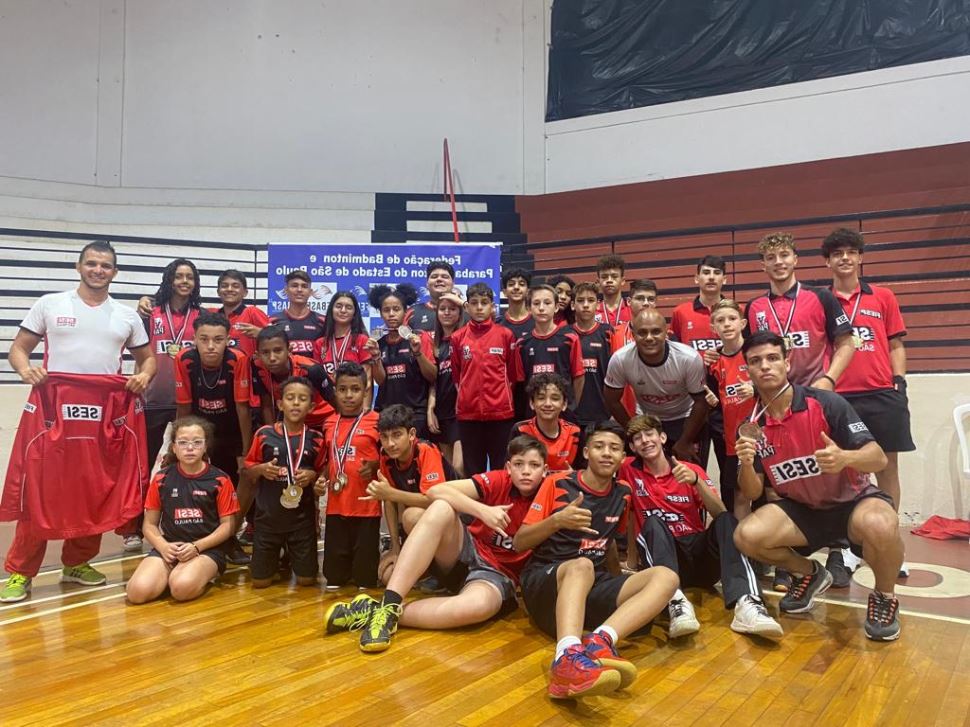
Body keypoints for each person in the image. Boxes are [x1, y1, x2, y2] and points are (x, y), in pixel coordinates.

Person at [1, 240, 155, 603]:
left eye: (105, 265)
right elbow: (18, 349)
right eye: (92, 263)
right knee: (42, 487)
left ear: (114, 272)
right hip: (54, 408)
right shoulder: (50, 304)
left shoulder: (126, 316)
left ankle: (77, 562)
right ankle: (20, 572)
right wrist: (26, 370)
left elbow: (148, 360)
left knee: (93, 485)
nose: (98, 270)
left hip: (105, 413)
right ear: (78, 266)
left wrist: (143, 376)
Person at [732, 331, 904, 641]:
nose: (765, 366)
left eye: (772, 358)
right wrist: (745, 463)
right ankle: (811, 574)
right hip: (803, 511)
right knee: (746, 535)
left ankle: (884, 596)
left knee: (882, 523)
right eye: (755, 361)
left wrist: (844, 457)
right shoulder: (751, 426)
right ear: (748, 370)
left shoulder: (825, 403)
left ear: (787, 361)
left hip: (852, 503)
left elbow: (877, 459)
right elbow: (754, 492)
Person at [325, 435, 549, 652]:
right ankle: (391, 600)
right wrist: (483, 510)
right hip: (465, 552)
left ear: (545, 470)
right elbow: (436, 490)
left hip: (496, 576)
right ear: (509, 467)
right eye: (519, 464)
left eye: (534, 465)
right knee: (439, 507)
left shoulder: (551, 494)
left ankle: (382, 610)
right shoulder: (500, 479)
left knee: (477, 607)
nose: (526, 471)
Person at [513, 422, 679, 699]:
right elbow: (520, 541)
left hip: (589, 584)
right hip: (545, 582)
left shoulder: (623, 493)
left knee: (666, 576)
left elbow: (610, 542)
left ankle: (600, 641)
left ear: (623, 457)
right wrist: (557, 521)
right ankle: (565, 658)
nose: (606, 453)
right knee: (582, 565)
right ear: (586, 452)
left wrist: (619, 582)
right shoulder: (557, 483)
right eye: (599, 446)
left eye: (614, 448)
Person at [745, 231, 857, 588]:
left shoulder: (820, 297)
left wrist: (828, 381)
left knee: (829, 470)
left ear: (795, 259)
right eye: (771, 258)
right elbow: (751, 351)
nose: (778, 263)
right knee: (781, 475)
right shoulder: (755, 307)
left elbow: (846, 342)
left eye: (784, 256)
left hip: (814, 398)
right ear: (763, 265)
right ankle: (790, 554)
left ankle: (838, 550)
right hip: (775, 401)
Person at [620, 415, 781, 639]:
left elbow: (719, 511)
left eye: (649, 434)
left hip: (700, 556)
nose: (645, 441)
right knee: (652, 523)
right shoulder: (628, 470)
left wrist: (696, 481)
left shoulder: (689, 468)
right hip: (667, 562)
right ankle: (674, 602)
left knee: (727, 520)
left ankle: (748, 603)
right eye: (637, 438)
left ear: (663, 437)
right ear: (632, 447)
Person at [823, 227, 915, 578]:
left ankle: (891, 545)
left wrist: (899, 384)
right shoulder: (822, 300)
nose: (844, 258)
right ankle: (848, 548)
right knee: (846, 473)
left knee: (886, 468)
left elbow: (896, 345)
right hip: (839, 397)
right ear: (828, 261)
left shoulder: (883, 297)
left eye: (850, 252)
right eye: (837, 253)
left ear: (860, 257)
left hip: (881, 394)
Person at [126, 416, 238, 604]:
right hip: (171, 547)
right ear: (174, 448)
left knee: (181, 589)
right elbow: (149, 525)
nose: (190, 447)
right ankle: (172, 574)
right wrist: (163, 546)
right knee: (137, 593)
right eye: (183, 442)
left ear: (205, 447)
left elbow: (228, 527)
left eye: (197, 442)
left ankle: (198, 575)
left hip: (206, 549)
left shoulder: (221, 480)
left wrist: (197, 547)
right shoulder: (162, 478)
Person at [242, 377, 327, 588]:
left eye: (302, 399)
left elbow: (322, 471)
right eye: (290, 398)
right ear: (281, 404)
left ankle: (291, 555)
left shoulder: (316, 439)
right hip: (267, 520)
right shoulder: (264, 434)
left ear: (312, 406)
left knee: (307, 581)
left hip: (301, 522)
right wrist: (261, 469)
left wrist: (313, 476)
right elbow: (248, 472)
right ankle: (278, 558)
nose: (296, 403)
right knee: (260, 583)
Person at [604, 309, 710, 462]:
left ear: (666, 332)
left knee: (689, 478)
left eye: (656, 332)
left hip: (686, 419)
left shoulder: (688, 358)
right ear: (632, 335)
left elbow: (701, 402)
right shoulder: (620, 359)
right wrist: (633, 430)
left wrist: (686, 440)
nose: (649, 338)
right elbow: (611, 400)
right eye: (642, 333)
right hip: (648, 419)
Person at [314, 363, 382, 591]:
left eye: (355, 389)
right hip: (336, 505)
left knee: (365, 580)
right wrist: (322, 478)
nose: (349, 395)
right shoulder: (329, 423)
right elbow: (328, 460)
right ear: (335, 391)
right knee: (334, 579)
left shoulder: (377, 421)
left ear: (365, 391)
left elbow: (390, 458)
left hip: (367, 506)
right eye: (343, 389)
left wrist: (375, 465)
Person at [365, 405, 456, 565]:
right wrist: (395, 547)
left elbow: (434, 500)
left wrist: (390, 494)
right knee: (387, 575)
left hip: (454, 521)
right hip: (423, 523)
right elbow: (389, 501)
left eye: (397, 435)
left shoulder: (426, 450)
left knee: (411, 516)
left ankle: (438, 569)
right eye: (384, 437)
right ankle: (411, 558)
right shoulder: (386, 455)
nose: (390, 443)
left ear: (412, 434)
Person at [142, 258, 203, 492]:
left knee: (186, 460)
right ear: (169, 279)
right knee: (146, 462)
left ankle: (178, 516)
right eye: (179, 276)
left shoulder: (201, 315)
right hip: (153, 399)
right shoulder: (150, 312)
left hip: (188, 402)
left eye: (190, 277)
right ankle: (138, 523)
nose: (184, 281)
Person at [450, 282, 520, 475]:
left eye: (484, 303)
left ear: (492, 306)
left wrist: (499, 400)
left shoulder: (505, 335)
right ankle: (477, 506)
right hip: (468, 415)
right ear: (467, 307)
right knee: (474, 471)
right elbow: (457, 376)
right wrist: (468, 399)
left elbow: (513, 375)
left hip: (500, 415)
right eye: (474, 303)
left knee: (501, 469)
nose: (479, 307)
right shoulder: (457, 338)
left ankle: (499, 505)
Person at [366, 284, 437, 438]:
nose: (391, 314)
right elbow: (381, 381)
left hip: (415, 414)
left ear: (405, 312)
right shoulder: (378, 341)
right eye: (386, 310)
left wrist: (418, 353)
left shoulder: (419, 337)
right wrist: (376, 357)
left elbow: (432, 376)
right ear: (380, 313)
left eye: (396, 309)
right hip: (386, 413)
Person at [707, 300, 755, 517]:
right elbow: (712, 395)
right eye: (720, 320)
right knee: (738, 492)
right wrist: (709, 398)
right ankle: (740, 546)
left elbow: (782, 382)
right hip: (732, 439)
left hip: (763, 435)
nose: (727, 324)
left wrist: (756, 387)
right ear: (713, 327)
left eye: (732, 319)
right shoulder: (713, 361)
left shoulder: (755, 352)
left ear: (743, 323)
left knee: (770, 490)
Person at [514, 284, 584, 419]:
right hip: (533, 415)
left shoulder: (570, 338)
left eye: (547, 303)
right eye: (536, 303)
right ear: (529, 309)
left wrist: (570, 405)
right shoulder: (522, 343)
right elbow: (521, 382)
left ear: (556, 307)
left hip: (563, 413)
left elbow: (579, 377)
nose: (541, 308)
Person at [250, 325, 336, 430]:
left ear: (289, 350)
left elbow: (336, 402)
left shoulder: (311, 369)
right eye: (265, 352)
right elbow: (267, 406)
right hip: (292, 423)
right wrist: (273, 434)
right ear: (258, 355)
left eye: (278, 351)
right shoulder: (258, 367)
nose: (272, 358)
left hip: (324, 422)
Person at [510, 373, 583, 472]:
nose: (548, 404)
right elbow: (510, 470)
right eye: (541, 398)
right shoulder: (520, 430)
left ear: (564, 404)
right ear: (532, 403)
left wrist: (574, 476)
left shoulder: (575, 433)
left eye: (555, 398)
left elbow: (584, 473)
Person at [609, 279, 659, 421]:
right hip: (623, 411)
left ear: (655, 303)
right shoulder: (613, 333)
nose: (646, 303)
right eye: (640, 298)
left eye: (650, 299)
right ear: (629, 302)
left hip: (657, 411)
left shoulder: (666, 336)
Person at [428, 289, 465, 473]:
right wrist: (430, 409)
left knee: (460, 467)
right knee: (449, 470)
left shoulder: (466, 337)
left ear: (460, 313)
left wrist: (460, 301)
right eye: (443, 308)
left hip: (462, 411)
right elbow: (433, 382)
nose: (447, 312)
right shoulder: (435, 344)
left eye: (452, 308)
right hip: (442, 410)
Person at [571, 281, 614, 429]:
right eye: (580, 300)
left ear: (598, 305)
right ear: (572, 305)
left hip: (602, 411)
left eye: (590, 300)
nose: (585, 305)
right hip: (572, 412)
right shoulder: (565, 335)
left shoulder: (608, 333)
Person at [311, 291, 373, 388]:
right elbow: (318, 379)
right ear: (331, 310)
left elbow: (367, 382)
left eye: (348, 307)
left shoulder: (362, 340)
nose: (343, 310)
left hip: (353, 399)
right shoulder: (320, 343)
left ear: (354, 313)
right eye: (338, 306)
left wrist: (365, 404)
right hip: (327, 400)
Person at [215, 269, 270, 360]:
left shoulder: (252, 312)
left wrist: (261, 333)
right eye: (224, 286)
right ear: (218, 292)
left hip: (248, 371)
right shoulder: (212, 315)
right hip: (218, 372)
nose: (229, 289)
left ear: (245, 292)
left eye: (235, 286)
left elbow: (277, 338)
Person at [270, 269, 326, 358]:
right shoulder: (272, 321)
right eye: (294, 286)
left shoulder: (323, 322)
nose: (299, 290)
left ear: (310, 292)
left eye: (304, 286)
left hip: (315, 371)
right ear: (286, 290)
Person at [405, 260, 464, 333]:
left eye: (445, 277)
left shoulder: (466, 311)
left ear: (453, 284)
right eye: (434, 276)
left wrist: (463, 304)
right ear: (427, 284)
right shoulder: (412, 313)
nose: (439, 279)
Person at [496, 267, 534, 341]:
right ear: (504, 292)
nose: (516, 287)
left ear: (528, 291)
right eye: (511, 284)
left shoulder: (538, 323)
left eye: (521, 284)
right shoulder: (497, 324)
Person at [594, 254, 632, 326]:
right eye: (604, 277)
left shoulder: (632, 308)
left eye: (614, 276)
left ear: (623, 280)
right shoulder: (592, 310)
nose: (609, 280)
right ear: (598, 282)